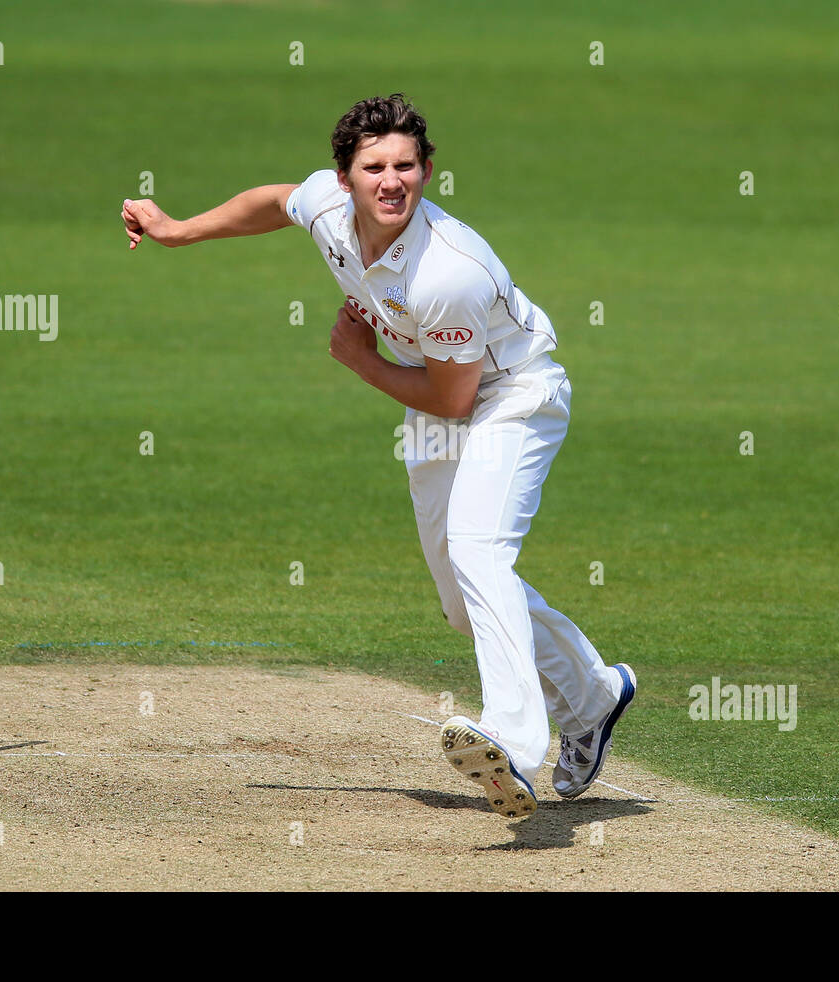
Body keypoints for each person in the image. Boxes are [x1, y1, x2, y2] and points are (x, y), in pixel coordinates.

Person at [120, 93, 635, 820]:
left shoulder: (448, 271)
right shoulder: (324, 206)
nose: (392, 181)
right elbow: (272, 201)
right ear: (345, 179)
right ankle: (596, 695)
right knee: (464, 604)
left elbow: (457, 400)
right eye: (374, 168)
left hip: (513, 396)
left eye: (407, 166)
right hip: (435, 399)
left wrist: (359, 360)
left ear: (427, 170)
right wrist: (179, 231)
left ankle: (515, 741)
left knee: (481, 550)